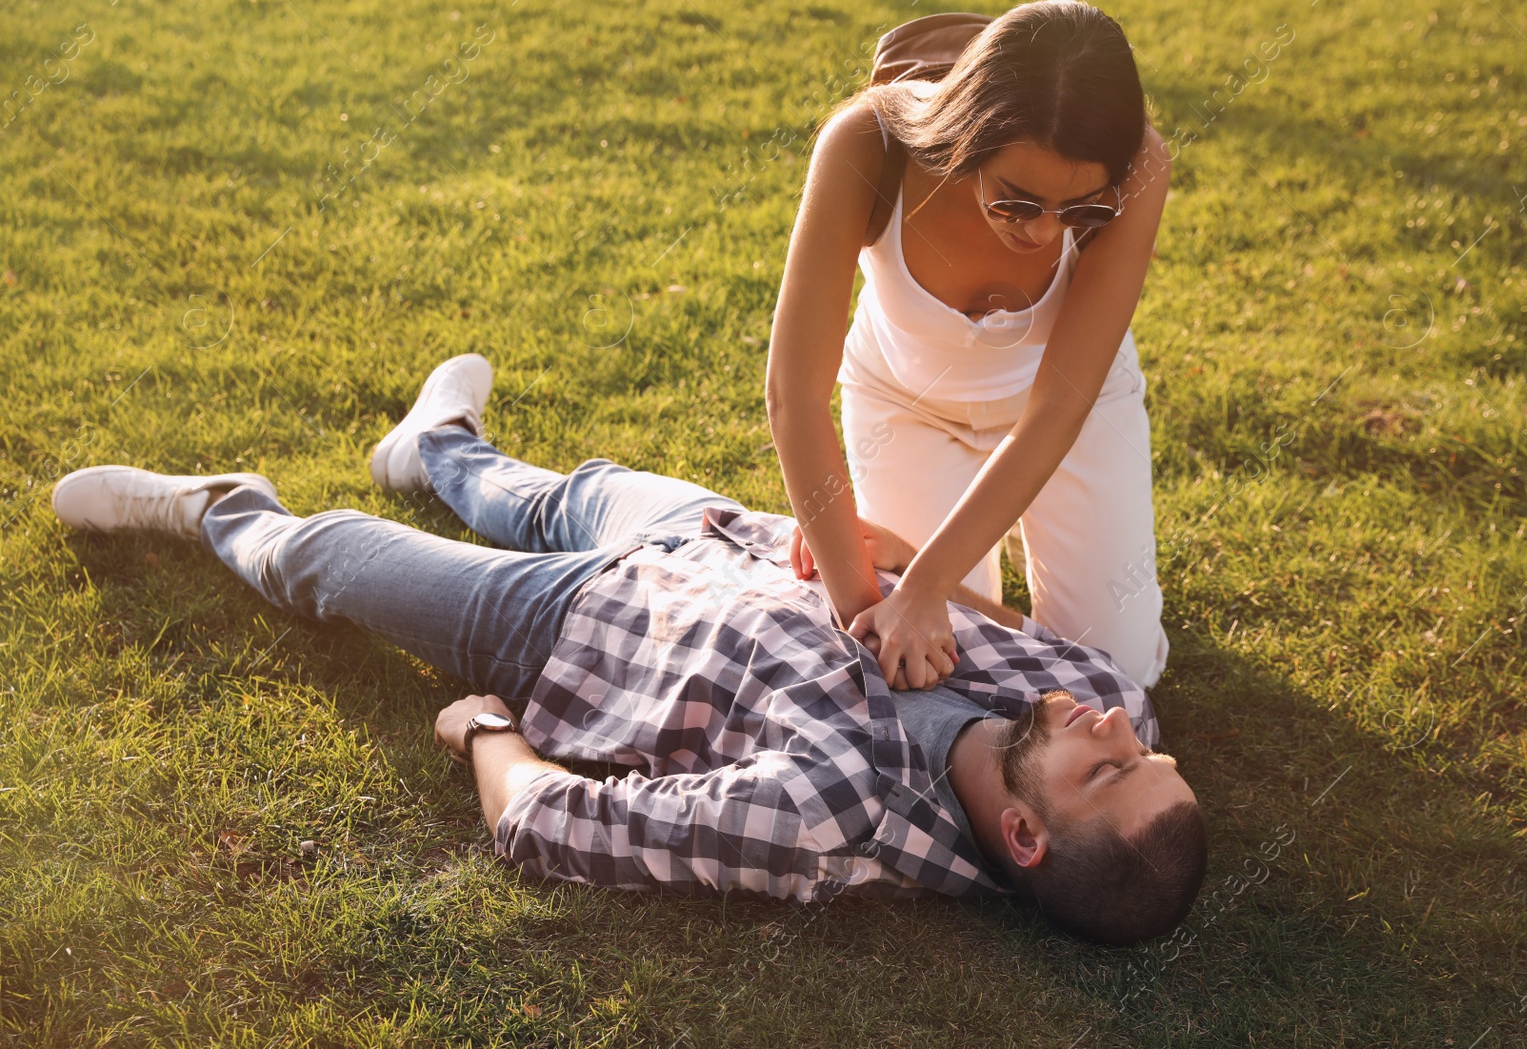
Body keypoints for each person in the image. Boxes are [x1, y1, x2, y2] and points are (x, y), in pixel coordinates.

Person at [51, 355, 1206, 945]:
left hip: (569, 636)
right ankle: (440, 444)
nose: (1112, 723)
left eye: (1107, 765)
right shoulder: (1100, 693)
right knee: (561, 490)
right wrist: (888, 554)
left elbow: (552, 827)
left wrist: (491, 731)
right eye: (1142, 750)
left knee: (334, 554)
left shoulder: (826, 817)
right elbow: (980, 611)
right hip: (716, 534)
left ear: (1020, 831)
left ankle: (219, 508)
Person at [766, 0, 1172, 695]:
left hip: (1068, 413)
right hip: (907, 403)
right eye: (1016, 201)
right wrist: (866, 609)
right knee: (938, 665)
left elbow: (1058, 410)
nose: (1045, 234)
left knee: (1116, 673)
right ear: (966, 136)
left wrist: (922, 583)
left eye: (1079, 211)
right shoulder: (866, 146)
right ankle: (929, 569)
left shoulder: (1141, 168)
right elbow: (793, 397)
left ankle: (931, 567)